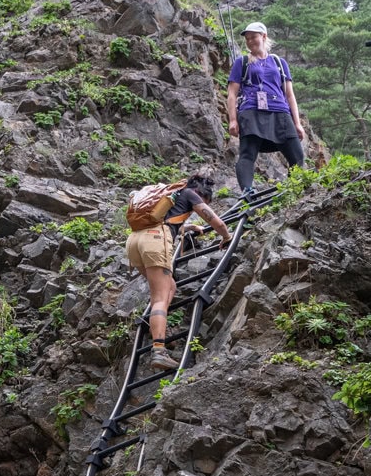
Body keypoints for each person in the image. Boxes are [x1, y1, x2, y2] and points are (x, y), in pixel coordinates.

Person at [125, 173, 232, 372]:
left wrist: (187, 226)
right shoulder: (191, 194)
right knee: (160, 296)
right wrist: (226, 235)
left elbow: (168, 219)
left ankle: (160, 330)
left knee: (170, 287)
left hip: (134, 241)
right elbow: (214, 219)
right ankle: (159, 350)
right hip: (154, 239)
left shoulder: (171, 194)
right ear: (202, 193)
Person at [227, 22, 305, 202]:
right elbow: (232, 93)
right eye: (247, 39)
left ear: (263, 36)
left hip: (280, 112)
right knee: (247, 153)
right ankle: (248, 193)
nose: (250, 41)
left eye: (253, 37)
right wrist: (233, 120)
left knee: (297, 155)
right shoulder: (242, 62)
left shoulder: (279, 62)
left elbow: (290, 95)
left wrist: (297, 123)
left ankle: (295, 192)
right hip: (251, 110)